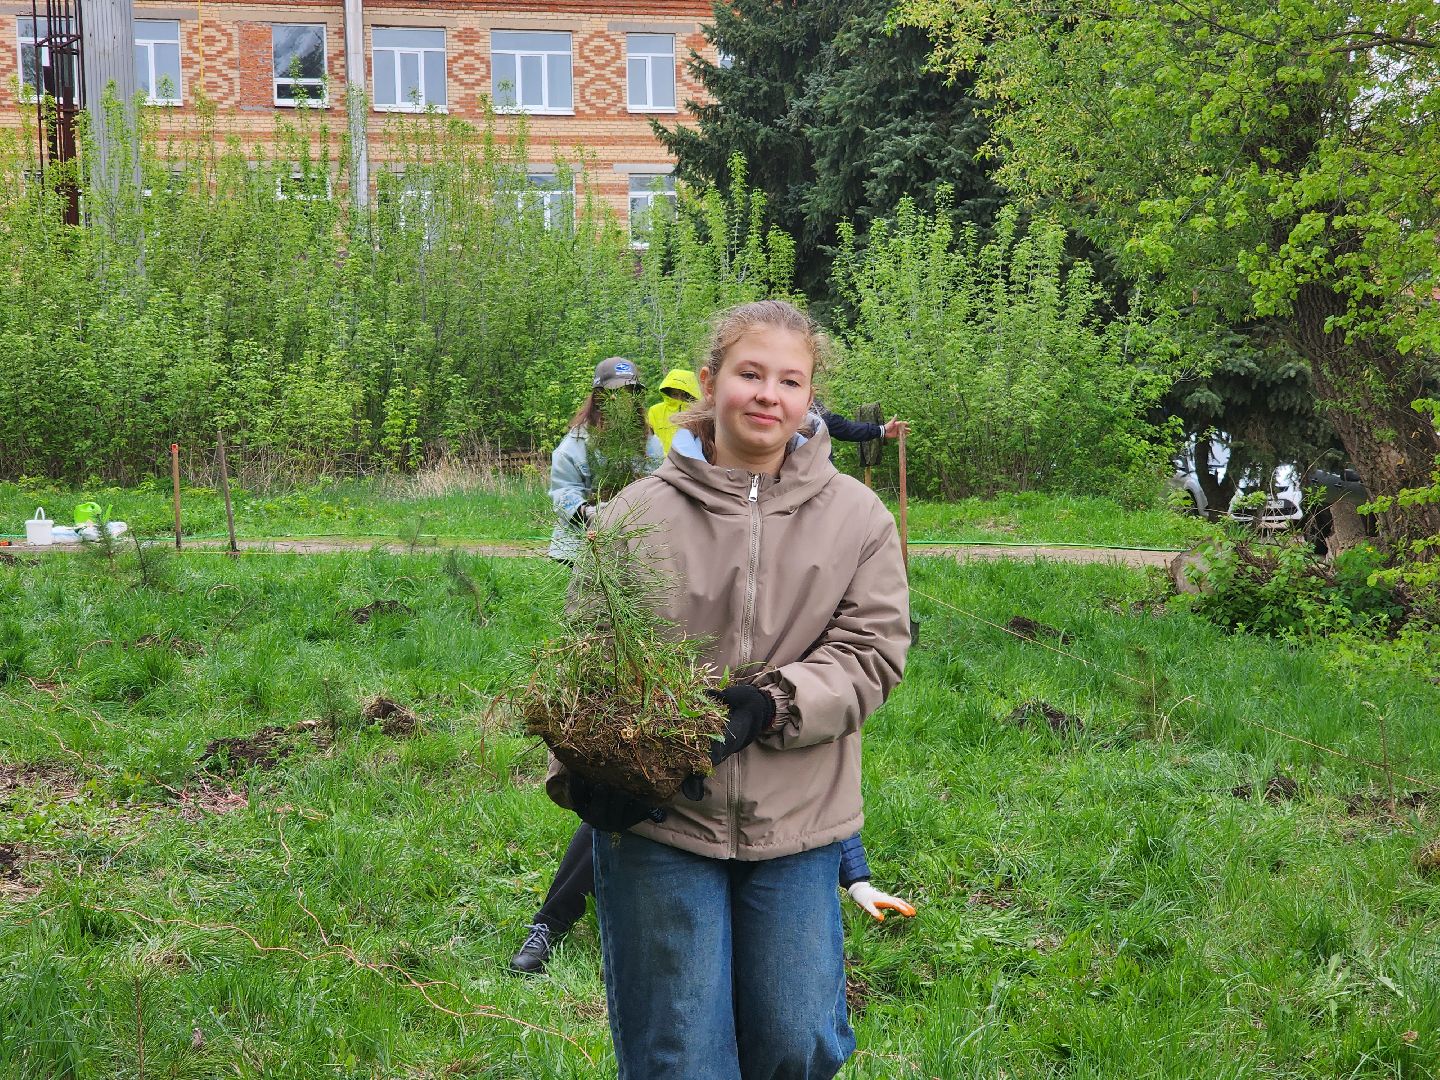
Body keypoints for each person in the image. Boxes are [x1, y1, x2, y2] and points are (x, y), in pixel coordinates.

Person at [546, 299, 911, 1079]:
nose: (768, 396)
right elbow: (587, 658)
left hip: (799, 819)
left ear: (811, 398)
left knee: (798, 1041)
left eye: (790, 380)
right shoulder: (638, 513)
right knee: (677, 1053)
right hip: (664, 817)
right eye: (750, 374)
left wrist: (773, 700)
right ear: (711, 385)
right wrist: (584, 776)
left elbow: (873, 650)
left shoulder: (857, 517)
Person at [508, 826, 915, 974]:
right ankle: (550, 924)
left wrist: (858, 883)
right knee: (613, 816)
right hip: (683, 792)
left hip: (759, 832)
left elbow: (820, 801)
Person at [547, 357, 663, 564]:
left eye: (630, 392)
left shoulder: (649, 442)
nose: (622, 400)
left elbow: (659, 484)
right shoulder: (575, 444)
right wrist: (592, 514)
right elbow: (563, 493)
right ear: (600, 397)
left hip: (636, 537)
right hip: (584, 541)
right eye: (615, 393)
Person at [646, 367, 702, 455]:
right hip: (662, 464)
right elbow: (648, 439)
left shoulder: (696, 413)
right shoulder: (655, 411)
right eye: (675, 394)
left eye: (683, 394)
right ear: (668, 393)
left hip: (689, 464)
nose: (679, 398)